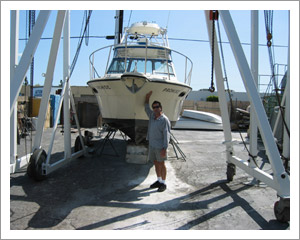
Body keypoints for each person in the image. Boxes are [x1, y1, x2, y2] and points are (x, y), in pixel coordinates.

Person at [144, 91, 171, 192]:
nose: (155, 109)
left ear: (161, 108)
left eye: (157, 107)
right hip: (152, 145)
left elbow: (166, 135)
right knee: (155, 163)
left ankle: (163, 183)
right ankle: (158, 180)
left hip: (160, 147)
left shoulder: (164, 120)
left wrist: (165, 148)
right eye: (154, 107)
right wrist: (147, 98)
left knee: (161, 164)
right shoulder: (152, 116)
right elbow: (146, 108)